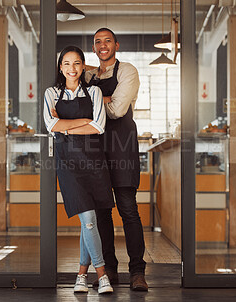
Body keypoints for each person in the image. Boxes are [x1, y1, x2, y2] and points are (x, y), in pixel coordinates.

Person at [44, 45, 114, 294]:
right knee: (88, 220)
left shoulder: (94, 91)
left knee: (89, 222)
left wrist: (66, 127)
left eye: (76, 63)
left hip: (94, 162)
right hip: (68, 164)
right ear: (60, 67)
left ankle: (81, 276)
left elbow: (99, 127)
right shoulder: (51, 93)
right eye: (66, 64)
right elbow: (51, 125)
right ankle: (102, 275)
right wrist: (82, 122)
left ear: (83, 66)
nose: (71, 69)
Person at [86, 28, 148, 291]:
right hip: (94, 149)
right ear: (94, 47)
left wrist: (92, 103)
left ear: (116, 45)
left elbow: (118, 110)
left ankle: (137, 272)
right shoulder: (89, 75)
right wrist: (103, 98)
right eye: (98, 42)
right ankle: (109, 270)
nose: (103, 45)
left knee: (128, 210)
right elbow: (73, 99)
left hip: (122, 150)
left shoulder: (128, 71)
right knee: (102, 213)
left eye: (107, 41)